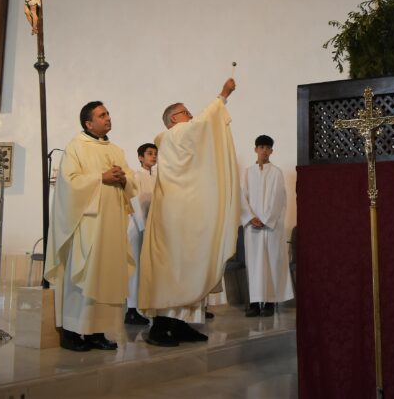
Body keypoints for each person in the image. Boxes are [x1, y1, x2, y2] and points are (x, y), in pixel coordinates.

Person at [140, 78, 241, 347]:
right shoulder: (174, 135)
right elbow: (204, 124)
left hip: (187, 213)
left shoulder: (179, 139)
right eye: (186, 112)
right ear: (174, 119)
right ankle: (161, 327)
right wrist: (223, 95)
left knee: (190, 265)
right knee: (172, 268)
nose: (191, 115)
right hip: (173, 217)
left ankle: (182, 323)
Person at [44, 101, 136, 352]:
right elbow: (68, 183)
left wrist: (124, 178)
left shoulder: (116, 150)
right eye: (102, 115)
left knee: (106, 278)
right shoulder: (76, 147)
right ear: (88, 123)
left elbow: (130, 183)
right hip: (86, 226)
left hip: (111, 225)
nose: (108, 117)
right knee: (83, 276)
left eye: (108, 113)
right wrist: (101, 178)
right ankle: (73, 332)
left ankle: (97, 331)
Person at [242, 135, 294, 317]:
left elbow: (278, 198)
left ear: (272, 151)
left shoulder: (277, 172)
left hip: (271, 227)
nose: (264, 150)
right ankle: (255, 302)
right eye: (261, 147)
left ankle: (270, 302)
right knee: (254, 264)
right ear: (255, 149)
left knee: (272, 261)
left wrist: (265, 219)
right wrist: (250, 217)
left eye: (267, 147)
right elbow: (242, 198)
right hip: (252, 227)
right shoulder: (247, 172)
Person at [125, 143, 158, 326]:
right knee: (135, 269)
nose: (153, 157)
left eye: (155, 154)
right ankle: (131, 310)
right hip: (137, 228)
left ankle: (145, 306)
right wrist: (143, 227)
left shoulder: (157, 178)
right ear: (140, 157)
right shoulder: (136, 176)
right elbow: (135, 202)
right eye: (149, 154)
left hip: (151, 228)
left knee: (148, 269)